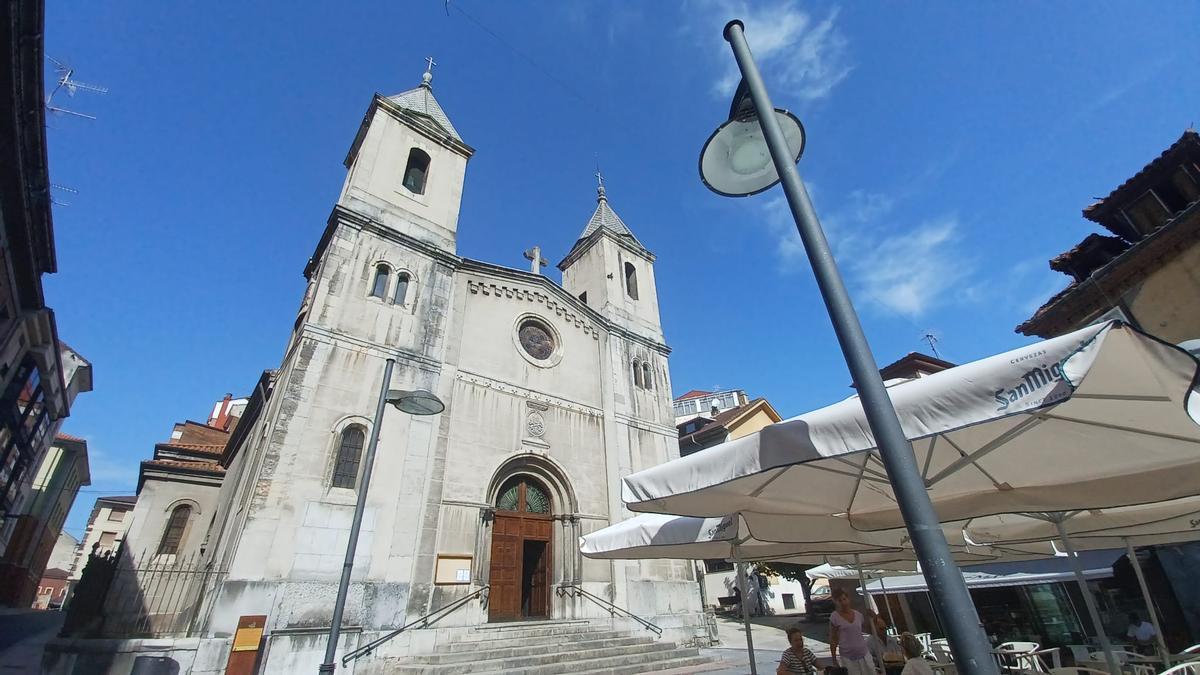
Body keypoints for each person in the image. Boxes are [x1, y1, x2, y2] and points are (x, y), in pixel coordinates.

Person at [830, 587, 877, 675]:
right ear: (836, 602)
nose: (843, 602)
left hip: (864, 653)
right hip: (848, 657)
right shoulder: (834, 617)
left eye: (844, 599)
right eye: (840, 600)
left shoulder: (858, 615)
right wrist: (834, 659)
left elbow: (867, 630)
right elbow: (833, 639)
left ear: (848, 599)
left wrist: (874, 618)